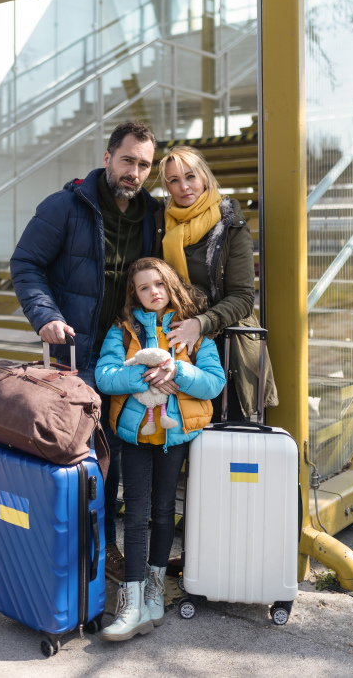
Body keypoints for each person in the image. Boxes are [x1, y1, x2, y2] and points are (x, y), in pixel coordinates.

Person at [10, 121, 162, 581]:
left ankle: (103, 547)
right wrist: (46, 316)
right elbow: (26, 263)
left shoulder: (153, 216)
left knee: (111, 453)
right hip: (72, 355)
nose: (134, 171)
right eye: (128, 160)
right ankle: (56, 547)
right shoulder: (66, 207)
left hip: (124, 355)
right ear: (107, 158)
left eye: (144, 165)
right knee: (70, 453)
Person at [95, 257, 225, 642]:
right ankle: (131, 599)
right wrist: (146, 374)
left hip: (176, 438)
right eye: (143, 287)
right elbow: (105, 375)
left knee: (164, 510)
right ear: (133, 295)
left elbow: (214, 383)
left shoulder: (192, 332)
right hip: (137, 437)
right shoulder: (122, 331)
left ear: (170, 287)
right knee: (133, 514)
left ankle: (154, 589)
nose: (153, 292)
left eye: (158, 285)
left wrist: (178, 372)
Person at [157, 146, 277, 420]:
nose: (184, 186)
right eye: (173, 180)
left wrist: (200, 323)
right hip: (172, 343)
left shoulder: (230, 224)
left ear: (205, 178)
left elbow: (244, 297)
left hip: (225, 343)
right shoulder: (161, 222)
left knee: (223, 441)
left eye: (190, 176)